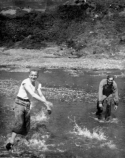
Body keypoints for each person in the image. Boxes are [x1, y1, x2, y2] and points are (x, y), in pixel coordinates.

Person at [6, 68, 53, 150]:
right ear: (29, 75)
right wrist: (46, 102)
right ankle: (11, 141)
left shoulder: (37, 84)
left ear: (37, 76)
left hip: (27, 104)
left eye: (35, 75)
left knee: (26, 127)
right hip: (19, 103)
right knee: (20, 122)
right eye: (32, 75)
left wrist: (47, 106)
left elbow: (41, 95)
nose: (33, 77)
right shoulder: (25, 82)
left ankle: (21, 141)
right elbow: (33, 94)